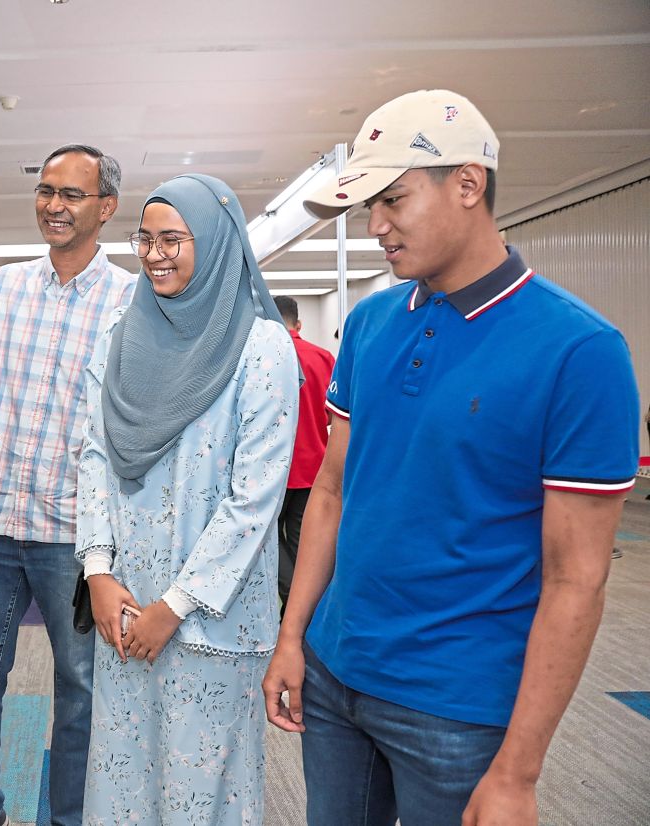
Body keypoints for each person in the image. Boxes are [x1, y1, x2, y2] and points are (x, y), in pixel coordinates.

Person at [261, 89, 640, 826]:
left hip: (457, 709)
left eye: (393, 200)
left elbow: (576, 579)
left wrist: (520, 773)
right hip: (336, 677)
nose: (376, 227)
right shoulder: (370, 325)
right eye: (368, 206)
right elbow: (333, 492)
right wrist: (292, 638)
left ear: (468, 185)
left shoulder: (579, 352)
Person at [78, 173, 297, 825]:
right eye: (143, 239)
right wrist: (98, 571)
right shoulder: (121, 332)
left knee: (203, 793)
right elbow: (93, 452)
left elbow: (254, 500)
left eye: (173, 239)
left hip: (210, 622)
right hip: (126, 609)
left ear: (217, 241)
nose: (153, 253)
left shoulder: (263, 347)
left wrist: (174, 607)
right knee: (124, 788)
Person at [0, 144, 136, 826]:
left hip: (75, 538)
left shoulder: (131, 301)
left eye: (71, 195)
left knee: (81, 691)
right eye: (46, 191)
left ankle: (69, 819)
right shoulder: (5, 287)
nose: (53, 205)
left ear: (105, 208)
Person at [272, 295, 335, 618]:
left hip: (272, 473)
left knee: (268, 542)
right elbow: (333, 416)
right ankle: (306, 614)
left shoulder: (265, 356)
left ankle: (288, 598)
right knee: (303, 542)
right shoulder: (323, 357)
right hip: (314, 470)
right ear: (298, 324)